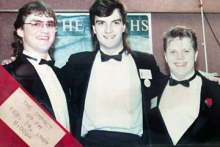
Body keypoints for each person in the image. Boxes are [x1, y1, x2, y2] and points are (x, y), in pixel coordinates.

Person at [62, 0, 163, 146]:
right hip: (91, 141)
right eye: (101, 23)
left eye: (114, 23)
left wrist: (202, 77)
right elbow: (49, 79)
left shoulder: (145, 62)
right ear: (94, 28)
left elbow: (168, 85)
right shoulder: (78, 62)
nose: (108, 30)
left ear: (123, 26)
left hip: (133, 142)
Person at [2, 1, 75, 133]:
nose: (45, 30)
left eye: (50, 24)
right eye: (36, 24)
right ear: (20, 31)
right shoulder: (6, 76)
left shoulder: (62, 75)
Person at [147, 26, 220, 146]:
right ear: (165, 56)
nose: (179, 57)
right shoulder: (152, 89)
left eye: (186, 51)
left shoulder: (215, 91)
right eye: (173, 52)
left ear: (195, 55)